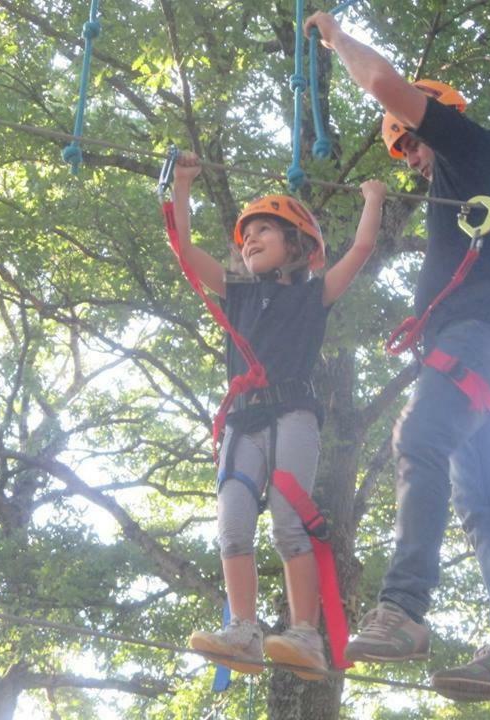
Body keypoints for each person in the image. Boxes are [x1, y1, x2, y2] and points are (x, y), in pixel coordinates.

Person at [303, 12, 490, 700]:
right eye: (401, 151)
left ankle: (403, 610)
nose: (410, 157)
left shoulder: (469, 144)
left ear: (438, 116)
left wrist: (335, 39)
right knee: (487, 500)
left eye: (411, 140)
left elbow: (381, 81)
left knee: (420, 435)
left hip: (480, 339)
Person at [172, 151, 386, 680]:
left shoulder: (315, 296)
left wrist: (374, 200)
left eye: (265, 231)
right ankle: (242, 630)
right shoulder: (237, 292)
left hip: (292, 414)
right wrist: (180, 186)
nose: (250, 240)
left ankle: (306, 635)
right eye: (247, 235)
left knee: (290, 525)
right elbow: (182, 247)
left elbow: (360, 249)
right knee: (233, 526)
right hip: (243, 422)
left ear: (297, 245)